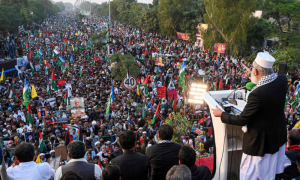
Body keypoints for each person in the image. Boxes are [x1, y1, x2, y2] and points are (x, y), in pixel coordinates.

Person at [212, 52, 287, 180]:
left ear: (256, 71)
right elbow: (268, 86)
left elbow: (242, 119)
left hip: (259, 145)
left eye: (252, 69)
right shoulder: (282, 80)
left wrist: (222, 114)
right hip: (276, 137)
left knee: (251, 174)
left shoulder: (257, 94)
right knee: (270, 173)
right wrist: (252, 78)